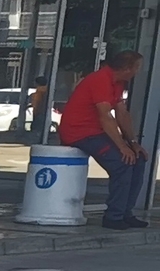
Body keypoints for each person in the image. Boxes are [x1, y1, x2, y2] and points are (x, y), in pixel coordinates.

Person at [58, 46, 150, 229]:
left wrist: (132, 143)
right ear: (127, 68)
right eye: (137, 68)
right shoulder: (100, 80)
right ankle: (113, 217)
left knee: (137, 159)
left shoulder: (118, 83)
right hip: (80, 132)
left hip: (97, 132)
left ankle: (125, 212)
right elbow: (105, 116)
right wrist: (122, 147)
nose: (138, 72)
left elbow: (122, 114)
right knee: (123, 163)